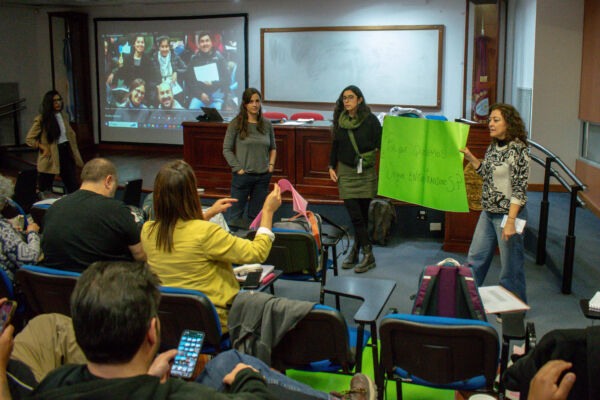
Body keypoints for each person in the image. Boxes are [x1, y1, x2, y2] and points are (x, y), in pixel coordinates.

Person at [0, 262, 376, 400]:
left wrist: (147, 377)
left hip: (137, 378)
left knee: (222, 360)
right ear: (152, 332)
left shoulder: (54, 385)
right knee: (237, 367)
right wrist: (246, 379)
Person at [141, 160, 279, 331]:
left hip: (169, 323)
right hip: (213, 322)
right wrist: (268, 212)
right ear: (192, 194)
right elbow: (257, 252)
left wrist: (209, 213)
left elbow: (182, 231)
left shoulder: (147, 231)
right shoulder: (206, 233)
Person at [460, 103, 530, 303]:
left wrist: (511, 221)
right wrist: (471, 157)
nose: (490, 123)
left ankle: (513, 309)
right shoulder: (494, 146)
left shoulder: (518, 149)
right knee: (475, 259)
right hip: (488, 212)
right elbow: (487, 173)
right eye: (490, 119)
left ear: (509, 123)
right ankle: (466, 301)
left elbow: (519, 189)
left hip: (508, 215)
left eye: (496, 120)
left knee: (511, 267)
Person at [41, 158, 146, 272]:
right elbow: (140, 256)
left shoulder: (54, 208)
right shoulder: (117, 210)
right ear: (108, 180)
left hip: (54, 282)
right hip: (102, 281)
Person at [328, 85, 382, 273]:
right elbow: (335, 145)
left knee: (362, 215)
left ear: (360, 100)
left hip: (365, 173)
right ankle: (368, 253)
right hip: (346, 172)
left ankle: (355, 251)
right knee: (355, 215)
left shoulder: (371, 120)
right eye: (344, 98)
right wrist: (331, 166)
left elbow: (381, 143)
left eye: (351, 97)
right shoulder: (341, 120)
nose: (347, 101)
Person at [222, 88, 276, 226]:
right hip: (243, 177)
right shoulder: (236, 124)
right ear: (245, 104)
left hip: (262, 178)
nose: (255, 104)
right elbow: (227, 149)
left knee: (256, 218)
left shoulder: (267, 124)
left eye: (257, 101)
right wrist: (238, 169)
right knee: (235, 217)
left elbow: (273, 148)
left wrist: (270, 166)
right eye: (251, 101)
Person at [25, 90, 84, 195]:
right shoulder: (42, 119)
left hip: (66, 152)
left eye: (59, 100)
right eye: (54, 101)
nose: (58, 103)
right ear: (49, 103)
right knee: (45, 188)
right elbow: (30, 139)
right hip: (51, 156)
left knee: (73, 185)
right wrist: (43, 147)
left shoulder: (64, 116)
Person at [0, 175, 41, 283]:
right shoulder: (3, 230)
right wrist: (33, 233)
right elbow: (30, 259)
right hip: (12, 284)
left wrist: (13, 232)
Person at [186, 32, 229, 110]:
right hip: (200, 95)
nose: (205, 44)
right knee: (192, 110)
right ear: (199, 45)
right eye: (202, 41)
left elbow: (227, 79)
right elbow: (190, 81)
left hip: (217, 95)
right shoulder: (194, 59)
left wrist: (213, 83)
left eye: (207, 41)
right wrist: (200, 94)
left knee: (216, 114)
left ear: (211, 43)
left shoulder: (219, 58)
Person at [151, 35, 186, 107]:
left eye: (166, 46)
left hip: (172, 84)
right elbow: (150, 77)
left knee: (180, 98)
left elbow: (186, 69)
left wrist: (176, 72)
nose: (164, 49)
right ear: (159, 47)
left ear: (169, 47)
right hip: (159, 85)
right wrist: (157, 85)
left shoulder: (174, 56)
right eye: (162, 47)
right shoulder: (154, 59)